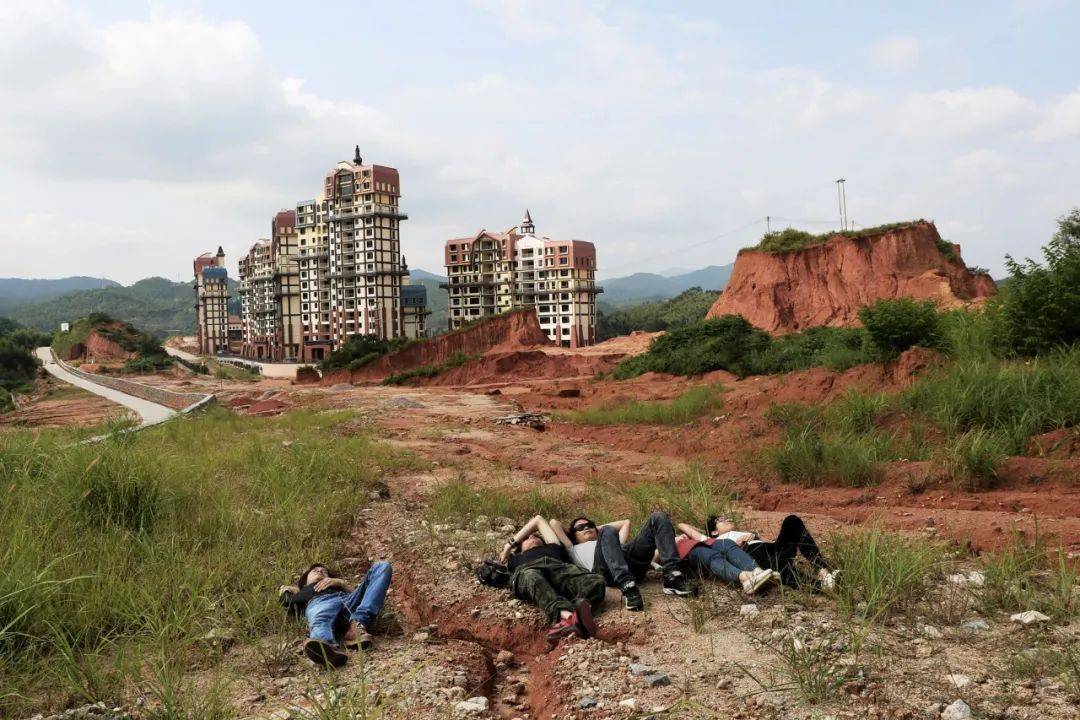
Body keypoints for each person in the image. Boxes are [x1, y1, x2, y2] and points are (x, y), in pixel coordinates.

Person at [552, 511, 694, 612]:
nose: (587, 528)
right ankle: (628, 587)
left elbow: (625, 522)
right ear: (573, 535)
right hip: (607, 571)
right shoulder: (573, 548)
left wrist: (595, 529)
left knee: (658, 517)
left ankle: (672, 576)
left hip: (631, 561)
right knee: (608, 530)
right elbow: (554, 523)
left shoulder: (609, 538)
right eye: (580, 527)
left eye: (589, 525)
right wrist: (579, 533)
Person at [497, 515, 604, 644]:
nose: (532, 536)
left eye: (536, 536)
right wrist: (507, 550)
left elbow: (538, 520)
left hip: (558, 570)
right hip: (529, 571)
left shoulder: (553, 546)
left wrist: (509, 544)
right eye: (526, 538)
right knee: (531, 576)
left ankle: (577, 614)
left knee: (596, 581)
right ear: (520, 549)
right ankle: (566, 616)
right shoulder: (515, 559)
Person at [279, 560, 393, 668]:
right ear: (304, 581)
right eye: (315, 571)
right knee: (320, 619)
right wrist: (286, 590)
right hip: (320, 603)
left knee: (382, 566)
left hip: (348, 600)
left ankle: (355, 626)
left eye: (324, 571)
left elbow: (367, 594)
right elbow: (287, 603)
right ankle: (325, 646)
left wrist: (341, 582)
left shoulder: (338, 586)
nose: (320, 571)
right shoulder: (303, 592)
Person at [705, 514, 837, 590]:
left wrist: (753, 535)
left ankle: (823, 571)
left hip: (770, 548)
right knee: (778, 566)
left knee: (791, 521)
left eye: (726, 517)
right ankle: (820, 586)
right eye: (721, 520)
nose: (727, 519)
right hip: (751, 555)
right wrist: (737, 544)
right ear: (714, 532)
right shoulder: (714, 542)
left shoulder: (740, 532)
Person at [673, 523, 777, 595]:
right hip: (687, 556)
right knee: (706, 553)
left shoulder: (701, 539)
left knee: (726, 543)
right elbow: (656, 557)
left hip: (705, 544)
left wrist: (703, 530)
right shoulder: (667, 541)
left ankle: (757, 572)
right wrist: (672, 540)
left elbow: (682, 525)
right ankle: (745, 579)